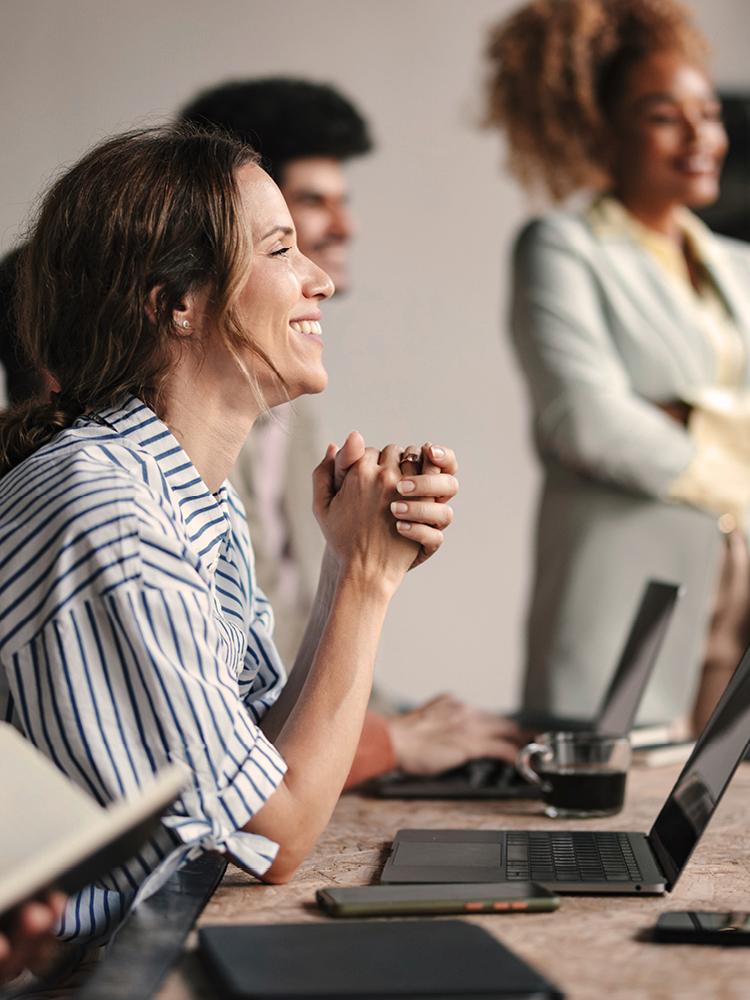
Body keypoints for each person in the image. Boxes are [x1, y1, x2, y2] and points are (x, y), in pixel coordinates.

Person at [0, 125, 460, 945]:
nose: (318, 277)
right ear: (177, 304)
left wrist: (350, 561)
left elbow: (256, 762)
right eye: (282, 249)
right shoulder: (104, 509)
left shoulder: (190, 498)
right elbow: (274, 837)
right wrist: (366, 582)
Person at [180, 78, 523, 782]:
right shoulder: (160, 449)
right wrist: (388, 740)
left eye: (343, 202)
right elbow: (222, 754)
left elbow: (283, 637)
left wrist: (403, 715)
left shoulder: (289, 404)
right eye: (310, 205)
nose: (343, 228)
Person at [484, 0, 750, 733]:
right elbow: (587, 422)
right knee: (606, 820)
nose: (701, 135)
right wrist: (736, 454)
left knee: (718, 819)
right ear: (603, 129)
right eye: (665, 114)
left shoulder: (738, 267)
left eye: (708, 112)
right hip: (629, 590)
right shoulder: (562, 247)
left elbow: (633, 420)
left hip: (736, 591)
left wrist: (683, 413)